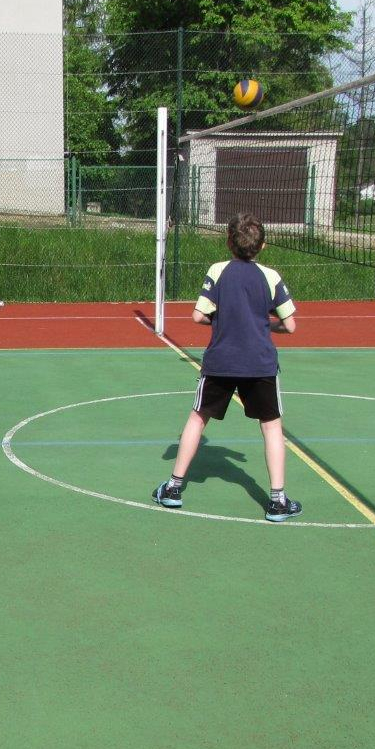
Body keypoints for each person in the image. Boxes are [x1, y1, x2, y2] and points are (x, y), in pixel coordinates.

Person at [152, 212, 301, 522]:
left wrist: (223, 321)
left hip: (221, 360)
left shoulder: (217, 271)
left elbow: (198, 316)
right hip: (259, 363)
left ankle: (174, 488)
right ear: (263, 246)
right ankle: (278, 501)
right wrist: (265, 326)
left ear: (229, 243)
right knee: (271, 426)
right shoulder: (271, 276)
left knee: (198, 418)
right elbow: (290, 325)